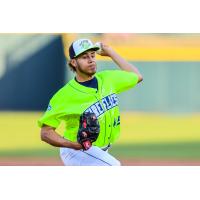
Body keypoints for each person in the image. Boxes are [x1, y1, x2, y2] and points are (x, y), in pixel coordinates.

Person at [38, 38, 143, 166]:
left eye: (92, 55)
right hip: (77, 151)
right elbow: (46, 132)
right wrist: (72, 145)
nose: (91, 59)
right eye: (84, 57)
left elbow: (137, 76)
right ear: (74, 62)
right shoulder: (64, 96)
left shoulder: (108, 79)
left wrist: (110, 52)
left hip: (100, 151)